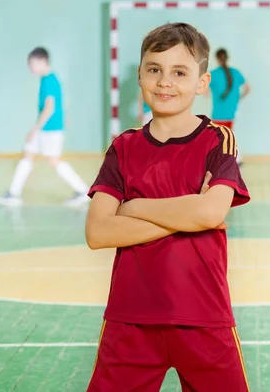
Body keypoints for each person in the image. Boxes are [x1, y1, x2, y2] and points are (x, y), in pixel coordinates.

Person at [85, 23, 251, 392]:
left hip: (204, 318)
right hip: (130, 320)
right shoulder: (123, 148)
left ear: (201, 82)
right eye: (154, 69)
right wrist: (189, 215)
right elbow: (98, 233)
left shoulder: (217, 141)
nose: (165, 82)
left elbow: (210, 214)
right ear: (141, 75)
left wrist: (133, 207)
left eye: (179, 72)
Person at [0, 47, 90, 207]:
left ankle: (83, 191)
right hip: (48, 128)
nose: (30, 68)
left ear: (42, 61)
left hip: (50, 129)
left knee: (53, 161)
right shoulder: (48, 79)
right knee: (28, 154)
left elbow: (49, 108)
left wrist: (35, 129)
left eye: (32, 64)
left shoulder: (49, 80)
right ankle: (14, 194)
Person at [207, 48, 250, 164]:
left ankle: (233, 158)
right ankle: (236, 158)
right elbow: (247, 88)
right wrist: (238, 98)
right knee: (228, 133)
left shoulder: (213, 74)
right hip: (231, 111)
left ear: (216, 59)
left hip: (218, 113)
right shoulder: (236, 72)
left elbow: (205, 92)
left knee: (220, 136)